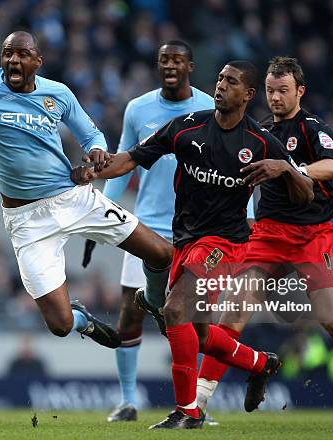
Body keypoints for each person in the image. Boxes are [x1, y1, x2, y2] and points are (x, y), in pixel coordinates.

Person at [72, 60, 314, 429]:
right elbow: (130, 159)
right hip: (185, 238)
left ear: (248, 95)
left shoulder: (263, 142)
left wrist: (285, 169)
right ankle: (261, 364)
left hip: (227, 244)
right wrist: (93, 170)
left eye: (230, 82)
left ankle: (188, 411)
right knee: (198, 335)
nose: (220, 86)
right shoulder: (187, 127)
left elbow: (306, 194)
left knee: (174, 310)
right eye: (218, 79)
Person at [0, 31, 173, 350]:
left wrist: (96, 151)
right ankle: (84, 320)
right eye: (7, 53)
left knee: (162, 253)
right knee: (60, 325)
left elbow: (92, 135)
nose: (12, 59)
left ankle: (152, 301)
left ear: (37, 62)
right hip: (28, 221)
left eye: (21, 54)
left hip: (74, 199)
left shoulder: (59, 94)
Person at [196, 56, 333, 414]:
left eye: (283, 90)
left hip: (312, 236)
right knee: (231, 314)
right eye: (271, 91)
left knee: (331, 320)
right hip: (267, 235)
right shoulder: (258, 132)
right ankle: (197, 403)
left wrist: (291, 168)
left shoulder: (313, 128)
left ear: (300, 91)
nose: (275, 97)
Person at [83, 40, 236, 423]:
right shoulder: (138, 109)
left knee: (197, 321)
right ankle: (127, 401)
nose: (170, 65)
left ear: (190, 66)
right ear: (158, 65)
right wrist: (96, 215)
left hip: (198, 231)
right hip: (147, 227)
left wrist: (245, 215)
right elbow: (125, 162)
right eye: (164, 59)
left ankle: (195, 405)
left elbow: (232, 165)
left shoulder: (208, 108)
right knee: (130, 313)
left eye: (177, 60)